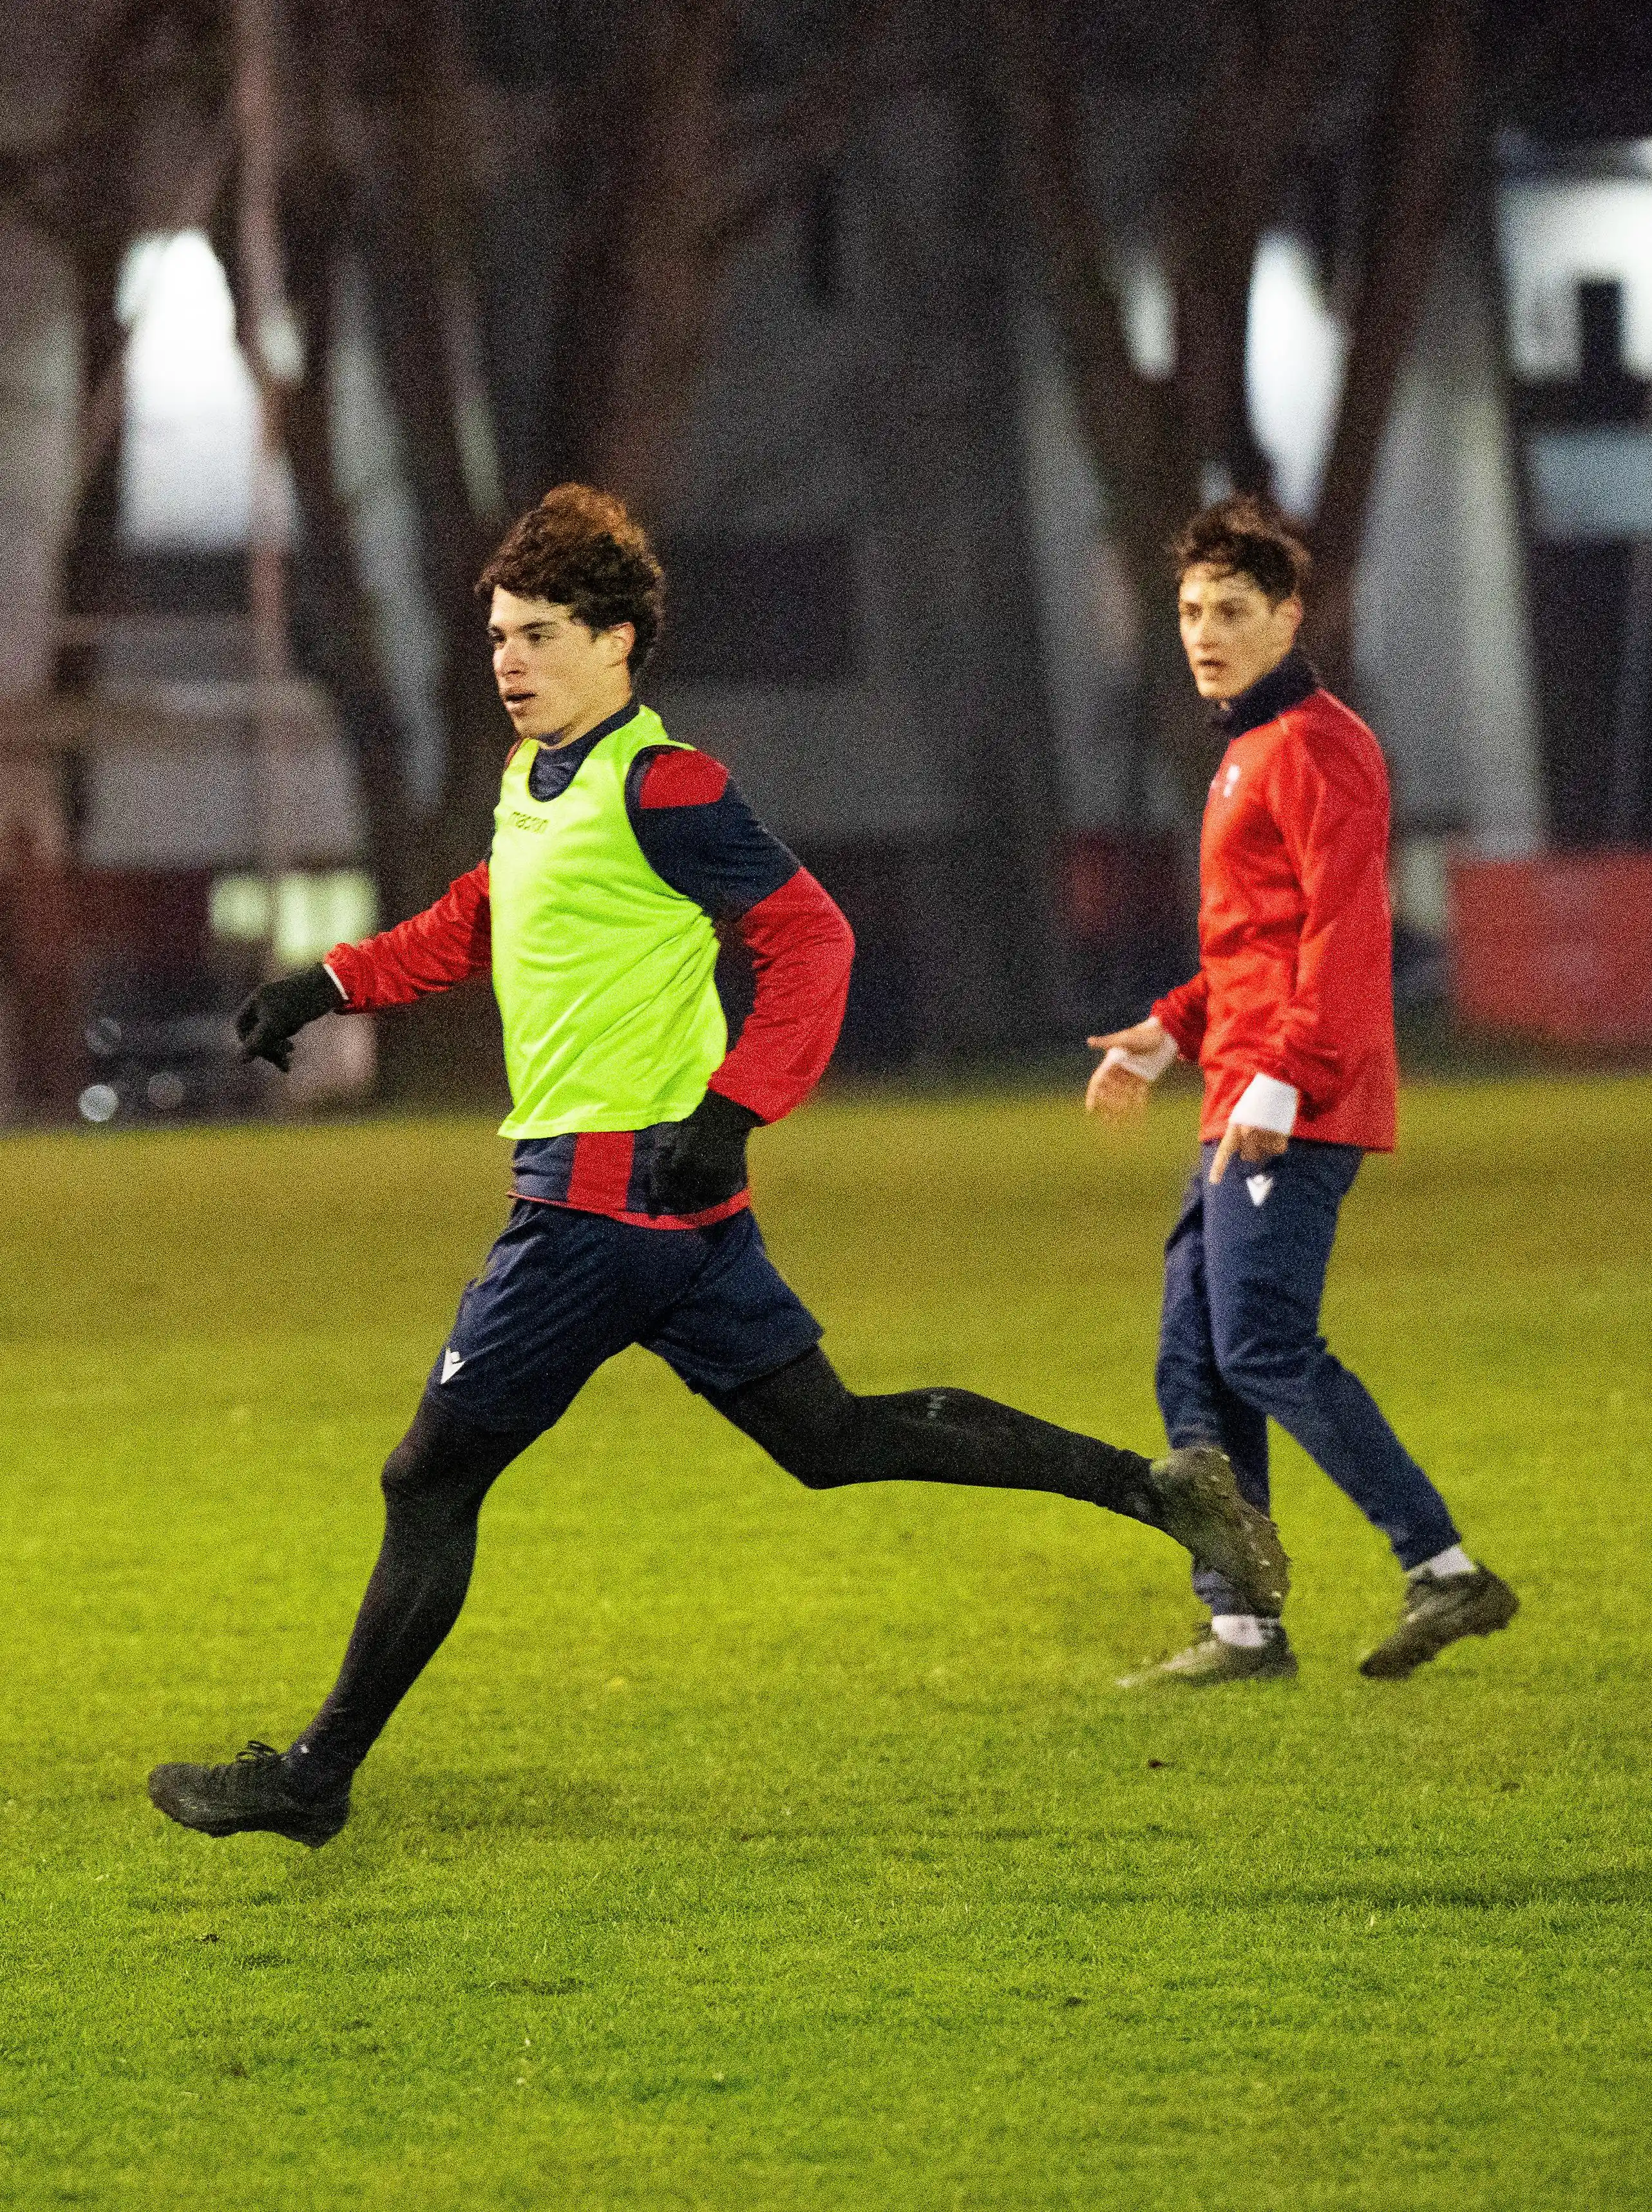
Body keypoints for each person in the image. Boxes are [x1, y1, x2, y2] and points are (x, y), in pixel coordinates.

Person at [148, 484, 1287, 1848]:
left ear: (620, 641)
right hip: (674, 1216)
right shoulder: (538, 778)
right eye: (499, 635)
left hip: (596, 1212)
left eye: (541, 634)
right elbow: (476, 923)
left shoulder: (666, 784)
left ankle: (315, 1776)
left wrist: (740, 1103)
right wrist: (322, 982)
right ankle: (1156, 1488)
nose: (509, 660)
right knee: (832, 1435)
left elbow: (813, 938)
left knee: (427, 1480)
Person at [1087, 495, 1517, 1688]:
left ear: (1290, 615)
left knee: (1263, 1344)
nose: (1205, 630)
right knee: (1195, 1357)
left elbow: (1342, 930)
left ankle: (1443, 1569)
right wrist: (1175, 1030)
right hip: (1244, 1087)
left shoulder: (1321, 744)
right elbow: (1254, 940)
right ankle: (1242, 1628)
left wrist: (1286, 1075)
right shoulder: (1247, 749)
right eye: (1188, 610)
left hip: (1295, 1100)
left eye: (1231, 609)